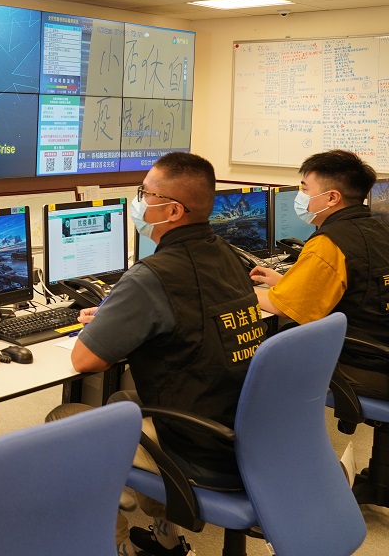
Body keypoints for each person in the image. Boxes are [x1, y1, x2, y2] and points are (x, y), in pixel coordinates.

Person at [64, 152, 265, 556]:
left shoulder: (151, 276)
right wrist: (121, 315)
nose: (138, 202)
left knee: (65, 421)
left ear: (172, 210)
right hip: (248, 430)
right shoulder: (226, 254)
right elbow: (190, 313)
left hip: (200, 447)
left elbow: (85, 361)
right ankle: (165, 534)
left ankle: (117, 544)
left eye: (145, 194)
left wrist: (115, 317)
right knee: (121, 400)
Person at [251, 149, 389, 399]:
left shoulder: (330, 242)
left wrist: (235, 288)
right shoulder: (376, 227)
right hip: (380, 348)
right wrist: (285, 281)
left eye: (305, 189)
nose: (301, 196)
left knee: (272, 346)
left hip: (367, 364)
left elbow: (281, 306)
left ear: (332, 198)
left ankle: (275, 419)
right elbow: (357, 287)